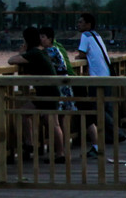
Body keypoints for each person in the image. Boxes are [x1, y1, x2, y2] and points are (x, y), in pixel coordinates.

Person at [11, 26, 67, 161]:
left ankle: (60, 154)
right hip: (47, 91)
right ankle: (30, 144)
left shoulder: (34, 53)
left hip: (48, 92)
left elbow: (12, 60)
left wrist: (21, 52)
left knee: (53, 123)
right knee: (25, 113)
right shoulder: (42, 51)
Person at [75, 11, 119, 153]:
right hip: (106, 74)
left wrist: (79, 58)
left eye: (81, 22)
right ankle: (111, 134)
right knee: (106, 107)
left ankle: (117, 133)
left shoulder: (85, 35)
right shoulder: (97, 35)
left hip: (96, 77)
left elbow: (81, 54)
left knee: (96, 106)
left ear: (88, 24)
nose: (79, 24)